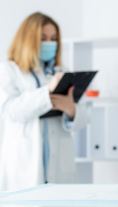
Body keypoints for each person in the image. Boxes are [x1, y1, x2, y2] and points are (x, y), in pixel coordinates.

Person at [0, 12, 89, 191]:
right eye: (43, 38)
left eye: (53, 38)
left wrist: (71, 110)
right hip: (25, 166)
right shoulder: (9, 70)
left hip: (60, 167)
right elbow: (9, 111)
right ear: (28, 40)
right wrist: (47, 93)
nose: (49, 43)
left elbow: (83, 117)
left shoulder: (62, 71)